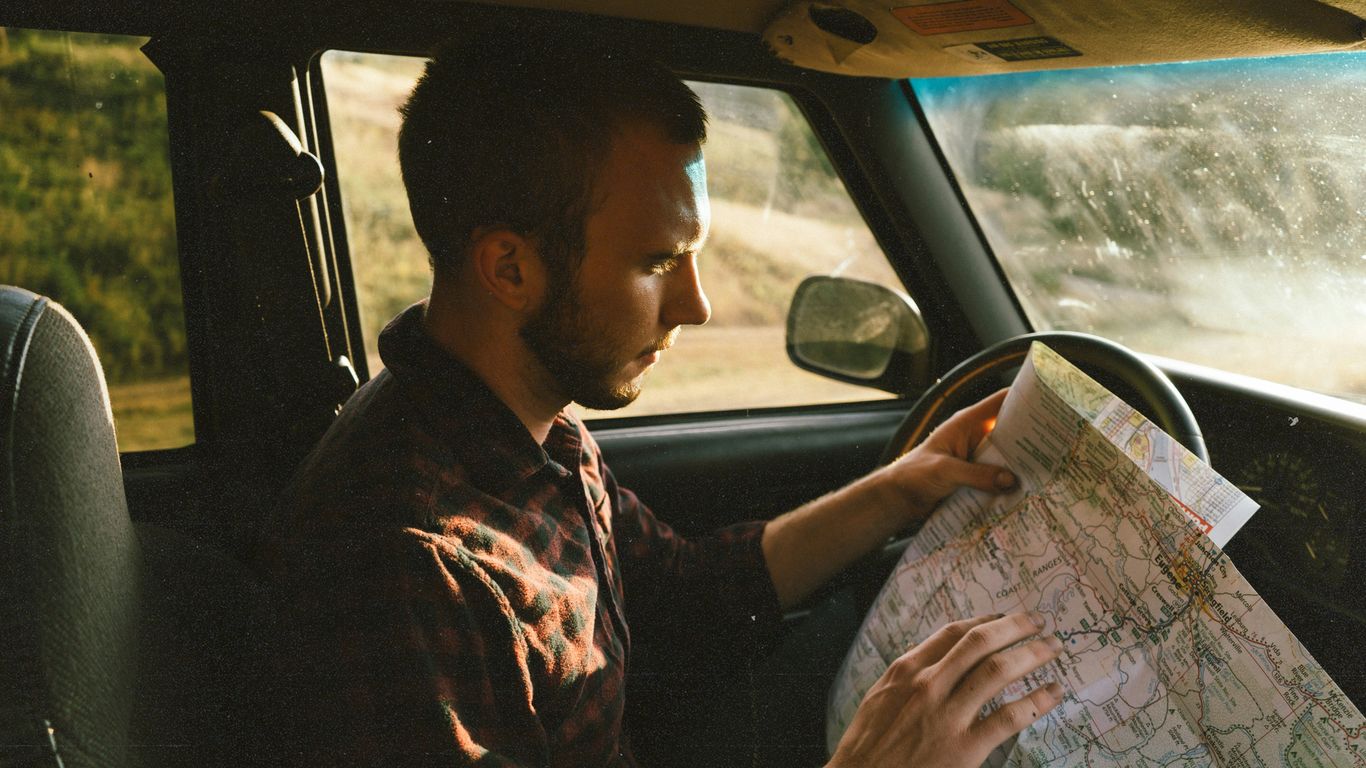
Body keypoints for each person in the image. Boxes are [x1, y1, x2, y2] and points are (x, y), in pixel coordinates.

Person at [257, 31, 1065, 768]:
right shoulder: (410, 565)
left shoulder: (534, 427)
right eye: (657, 262)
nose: (697, 306)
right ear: (509, 269)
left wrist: (900, 488)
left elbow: (682, 594)